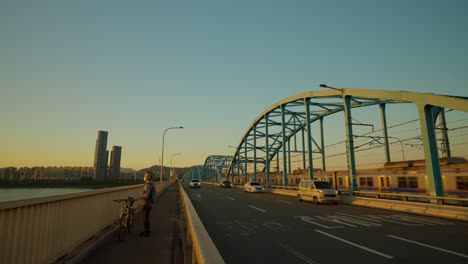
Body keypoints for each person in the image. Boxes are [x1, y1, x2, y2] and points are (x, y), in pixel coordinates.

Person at [137, 171, 156, 237]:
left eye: (145, 176)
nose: (144, 177)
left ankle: (146, 232)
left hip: (146, 203)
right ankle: (147, 231)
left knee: (144, 218)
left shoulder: (147, 185)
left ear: (147, 177)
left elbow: (146, 196)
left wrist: (139, 198)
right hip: (150, 203)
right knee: (146, 218)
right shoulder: (152, 184)